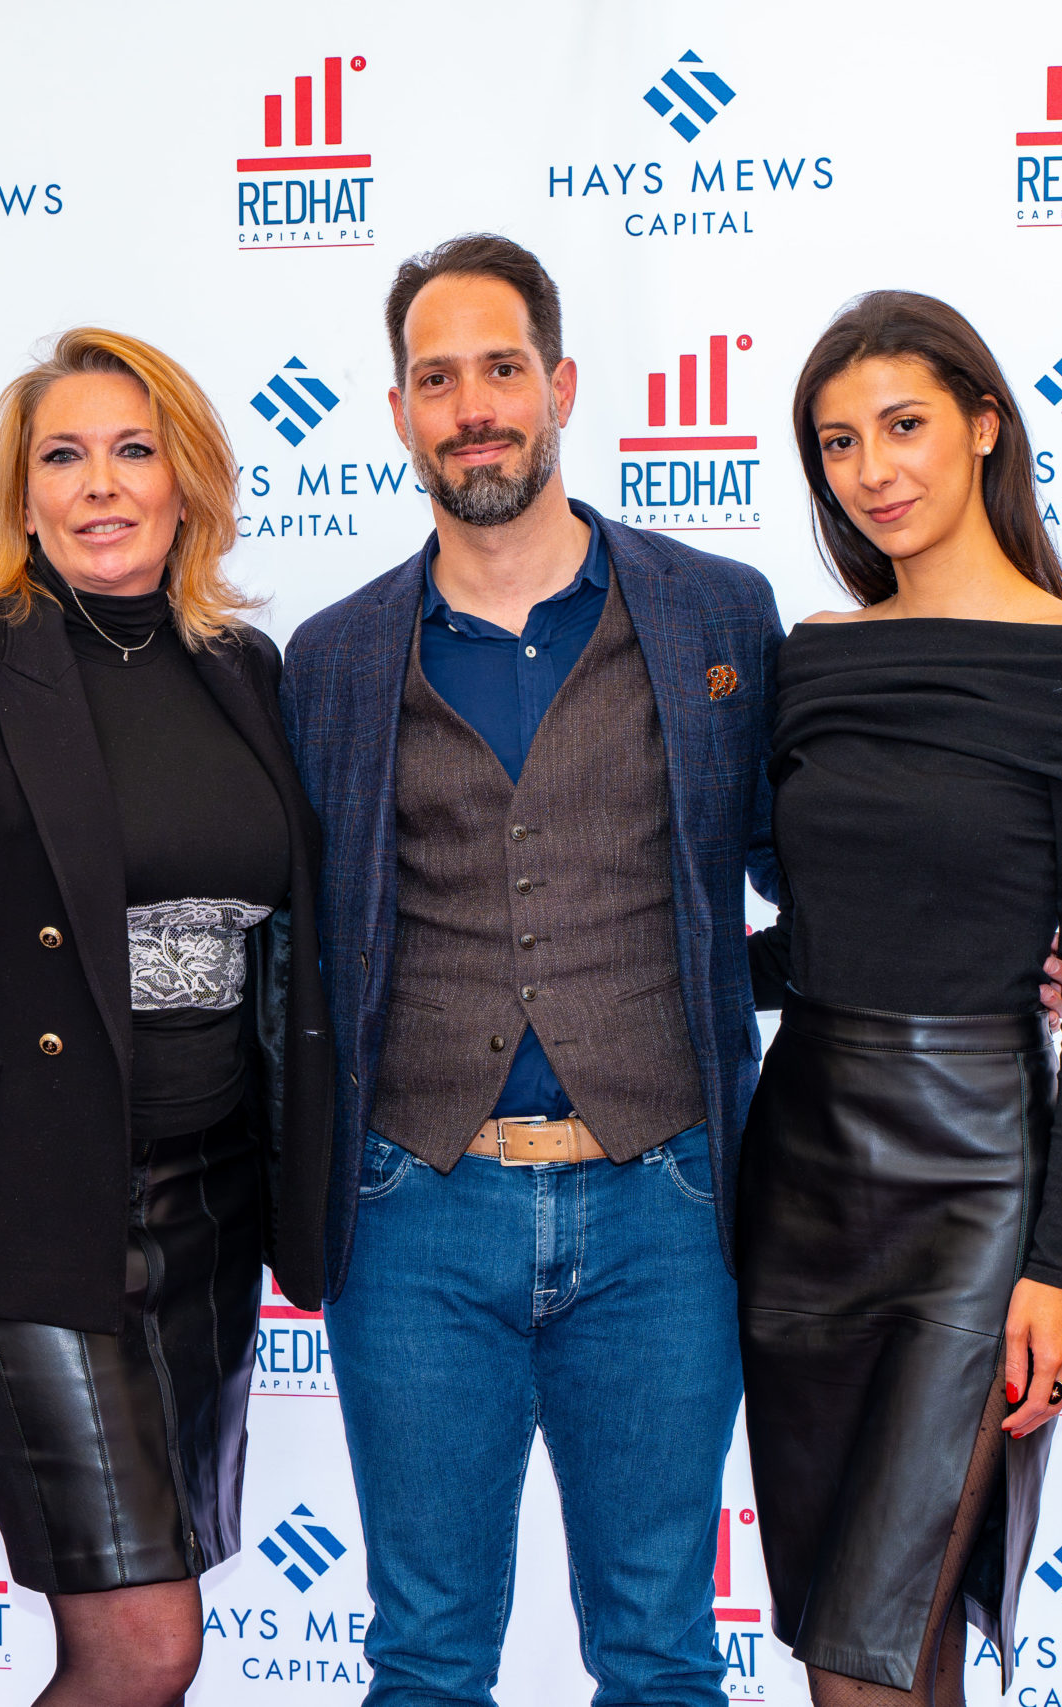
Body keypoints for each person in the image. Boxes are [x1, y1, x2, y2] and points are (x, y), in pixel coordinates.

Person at [280, 233, 782, 1706]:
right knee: (425, 1656)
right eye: (437, 379)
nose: (473, 407)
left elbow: (807, 867)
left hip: (667, 1202)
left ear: (560, 385)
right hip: (413, 1209)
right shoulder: (332, 658)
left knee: (661, 1651)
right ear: (398, 413)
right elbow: (290, 940)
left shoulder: (716, 614)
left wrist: (1003, 946)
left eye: (501, 368)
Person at [0, 327, 332, 1707]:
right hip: (26, 1212)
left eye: (132, 449)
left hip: (209, 1211)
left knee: (163, 1629)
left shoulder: (244, 668)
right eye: (62, 455)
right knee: (142, 1644)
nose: (99, 484)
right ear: (22, 493)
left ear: (187, 479)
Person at [740, 292, 1062, 1707]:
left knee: (870, 1652)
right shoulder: (814, 655)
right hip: (801, 1179)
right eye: (838, 442)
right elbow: (820, 941)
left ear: (985, 425)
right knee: (871, 1645)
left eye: (905, 424)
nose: (873, 470)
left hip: (978, 1186)